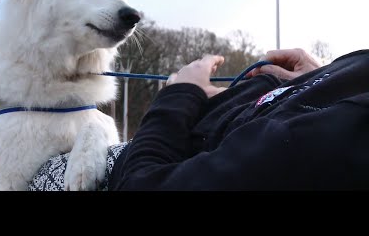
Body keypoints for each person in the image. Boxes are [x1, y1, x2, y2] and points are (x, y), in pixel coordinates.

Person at [106, 48, 369, 190]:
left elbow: (139, 184)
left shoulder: (337, 139)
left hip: (125, 165)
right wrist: (319, 79)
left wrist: (179, 95)